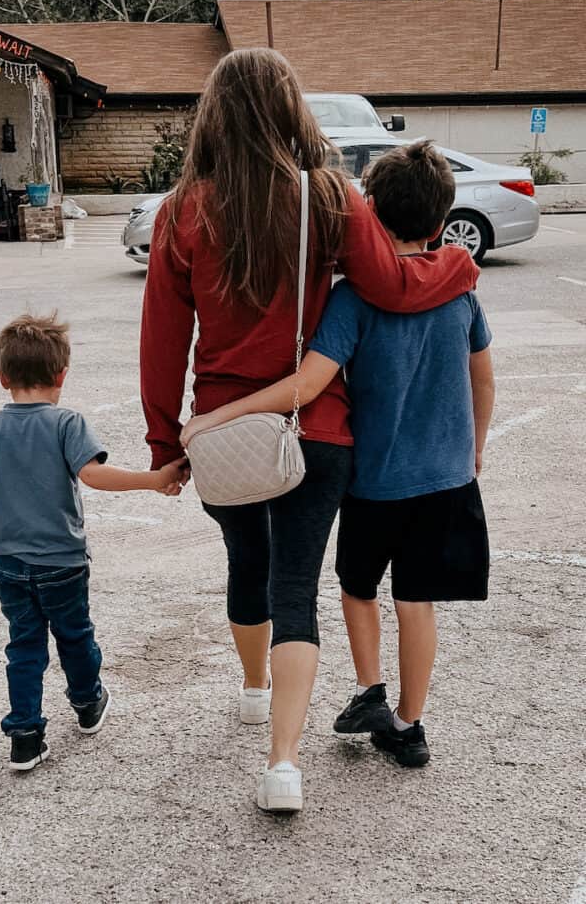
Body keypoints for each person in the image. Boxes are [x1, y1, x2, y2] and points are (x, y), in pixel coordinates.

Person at [141, 49, 479, 814]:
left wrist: (168, 444)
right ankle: (283, 764)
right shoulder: (327, 195)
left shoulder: (181, 210)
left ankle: (255, 689)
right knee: (297, 586)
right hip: (314, 430)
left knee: (244, 560)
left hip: (224, 437)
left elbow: (161, 341)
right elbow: (392, 285)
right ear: (294, 109)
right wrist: (458, 262)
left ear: (214, 116)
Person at [183, 138, 494, 771]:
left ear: (369, 214)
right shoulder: (463, 293)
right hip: (447, 478)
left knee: (357, 588)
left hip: (375, 480)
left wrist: (219, 415)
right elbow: (482, 377)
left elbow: (305, 385)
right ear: (441, 222)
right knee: (418, 599)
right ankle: (410, 724)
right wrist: (476, 448)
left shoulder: (355, 299)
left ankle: (367, 690)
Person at [0, 311, 188, 772]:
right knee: (74, 634)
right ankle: (86, 704)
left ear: (3, 378)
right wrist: (154, 479)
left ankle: (24, 734)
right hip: (62, 560)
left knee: (23, 646)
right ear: (62, 374)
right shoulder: (66, 423)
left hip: (9, 561)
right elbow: (94, 474)